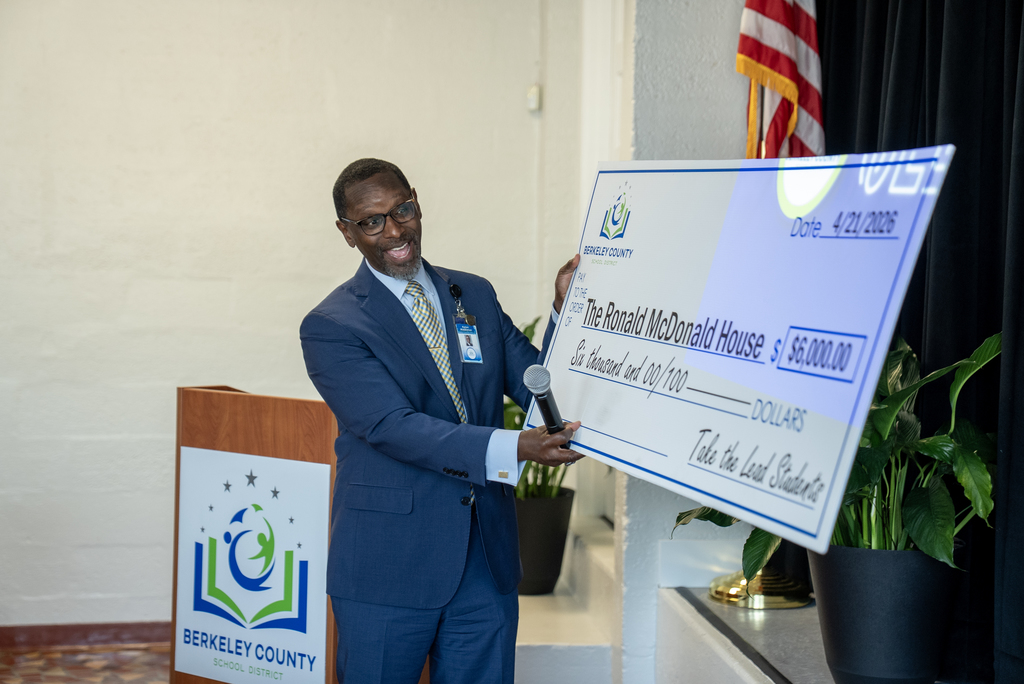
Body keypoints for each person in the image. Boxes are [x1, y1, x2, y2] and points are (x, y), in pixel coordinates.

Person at [299, 158, 583, 684]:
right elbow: (391, 425)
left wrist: (569, 311)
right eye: (372, 221)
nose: (395, 230)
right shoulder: (332, 325)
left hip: (485, 560)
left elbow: (538, 384)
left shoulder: (471, 294)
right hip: (388, 568)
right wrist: (517, 448)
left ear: (416, 200)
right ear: (347, 232)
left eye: (402, 209)